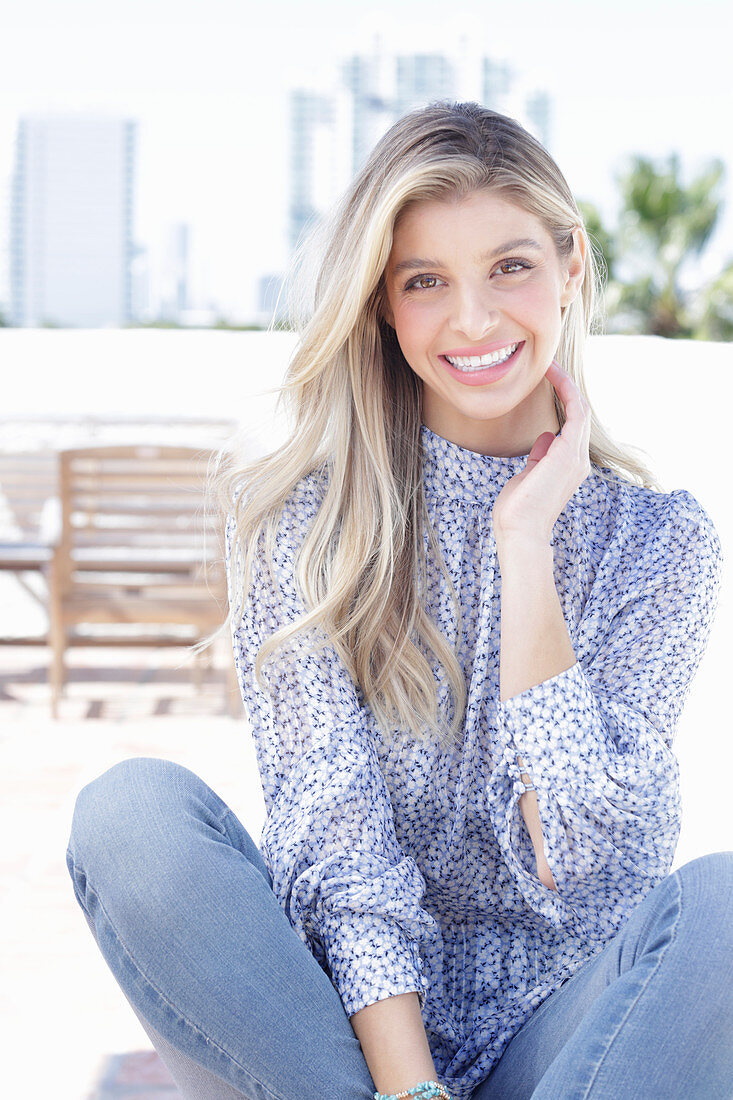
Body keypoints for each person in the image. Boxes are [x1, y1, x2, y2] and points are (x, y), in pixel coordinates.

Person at [66, 102, 733, 1100]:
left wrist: (525, 542)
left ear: (571, 266)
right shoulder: (307, 522)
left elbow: (586, 869)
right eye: (427, 282)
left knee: (722, 907)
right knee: (129, 816)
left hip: (564, 1054)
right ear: (382, 303)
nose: (472, 319)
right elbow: (336, 846)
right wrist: (410, 1091)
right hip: (337, 1052)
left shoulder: (659, 543)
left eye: (509, 266)